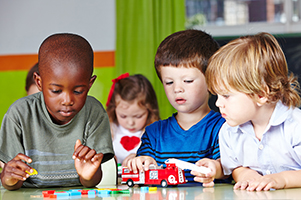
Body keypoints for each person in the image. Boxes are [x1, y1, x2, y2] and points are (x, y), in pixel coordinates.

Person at [0, 33, 114, 190]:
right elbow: (13, 183)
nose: (67, 100)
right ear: (39, 82)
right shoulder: (19, 114)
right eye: (56, 91)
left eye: (79, 91)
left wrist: (88, 176)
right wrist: (8, 178)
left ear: (90, 84)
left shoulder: (94, 113)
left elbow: (91, 181)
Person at [126, 29, 226, 185]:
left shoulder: (222, 128)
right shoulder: (154, 134)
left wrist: (217, 169)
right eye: (169, 82)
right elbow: (143, 168)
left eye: (187, 81)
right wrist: (139, 162)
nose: (177, 89)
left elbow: (230, 168)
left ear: (211, 81)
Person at [205, 32, 301, 191]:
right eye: (217, 95)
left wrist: (281, 179)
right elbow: (235, 167)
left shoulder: (295, 127)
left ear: (260, 95)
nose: (218, 103)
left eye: (226, 96)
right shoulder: (229, 132)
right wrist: (245, 175)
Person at [106, 73, 160, 167]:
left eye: (138, 116)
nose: (130, 123)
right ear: (114, 109)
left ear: (150, 110)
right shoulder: (109, 130)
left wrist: (140, 157)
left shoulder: (154, 133)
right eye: (123, 116)